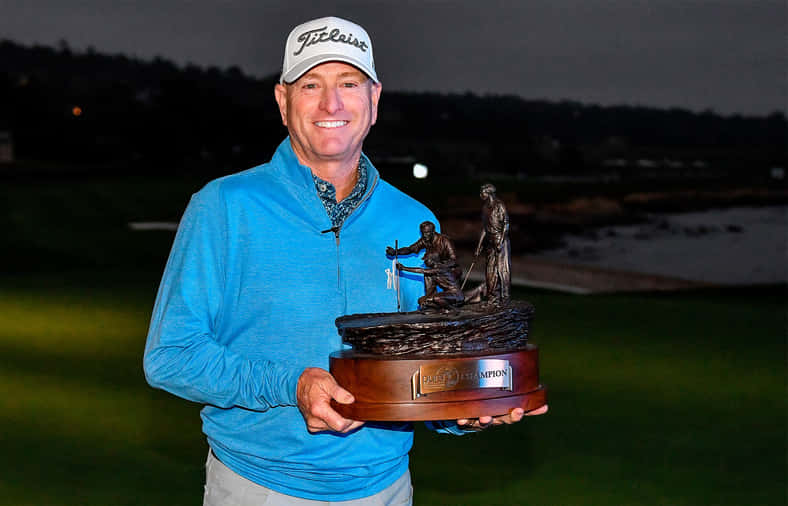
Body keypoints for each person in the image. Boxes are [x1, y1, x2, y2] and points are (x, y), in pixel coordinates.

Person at [144, 16, 547, 505]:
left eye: (348, 83)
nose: (330, 104)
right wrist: (290, 386)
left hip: (387, 489)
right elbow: (171, 357)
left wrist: (464, 406)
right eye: (311, 84)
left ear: (374, 100)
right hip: (260, 487)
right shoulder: (224, 207)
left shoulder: (413, 220)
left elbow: (424, 367)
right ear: (282, 101)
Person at [477, 183, 511, 305]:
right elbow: (484, 229)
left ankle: (505, 297)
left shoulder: (499, 205)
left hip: (500, 241)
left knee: (502, 270)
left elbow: (506, 224)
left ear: (489, 193)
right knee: (490, 270)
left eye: (483, 192)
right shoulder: (485, 208)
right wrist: (479, 246)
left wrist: (500, 241)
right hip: (490, 242)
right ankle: (492, 296)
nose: (481, 195)